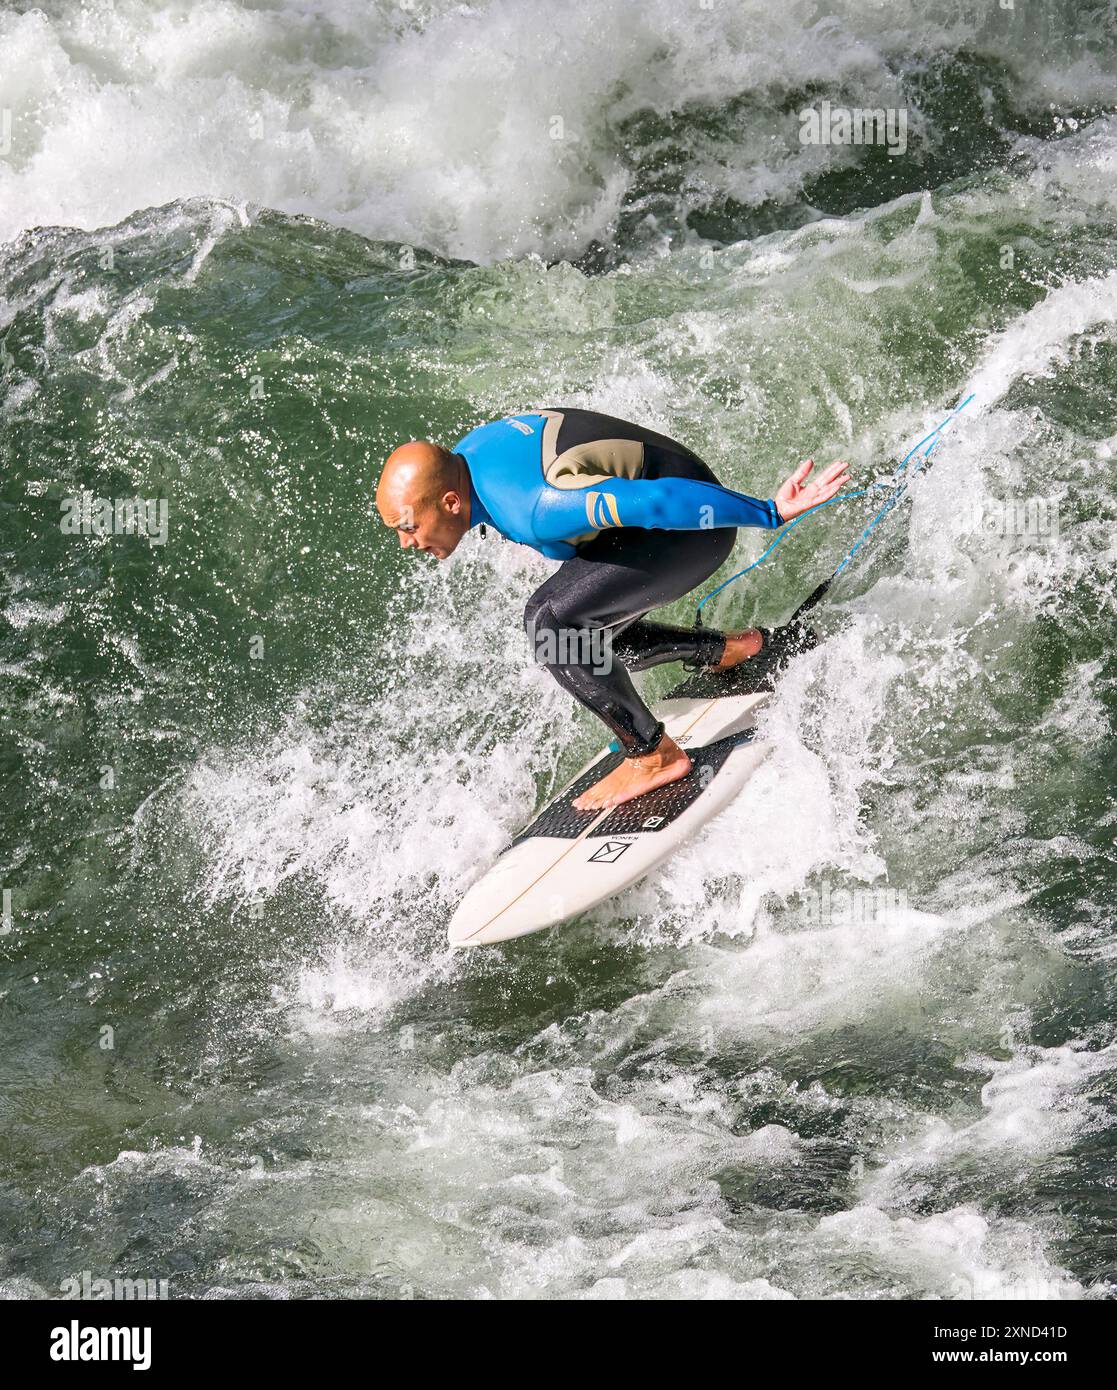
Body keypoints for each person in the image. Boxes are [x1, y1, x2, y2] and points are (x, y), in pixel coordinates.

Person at [376, 408, 849, 810]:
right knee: (585, 634)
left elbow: (659, 501)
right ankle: (727, 650)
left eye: (408, 527)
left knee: (550, 622)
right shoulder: (468, 460)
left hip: (689, 529)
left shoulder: (538, 508)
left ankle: (653, 755)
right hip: (656, 510)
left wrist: (767, 511)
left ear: (451, 501)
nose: (405, 543)